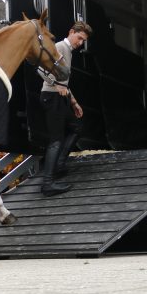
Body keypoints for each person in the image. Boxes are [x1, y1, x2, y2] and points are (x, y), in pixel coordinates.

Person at [39, 21, 92, 196]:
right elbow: (40, 68)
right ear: (71, 32)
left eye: (83, 40)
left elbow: (64, 83)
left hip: (60, 97)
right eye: (79, 38)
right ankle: (47, 184)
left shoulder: (68, 51)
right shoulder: (60, 47)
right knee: (56, 140)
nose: (80, 43)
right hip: (51, 97)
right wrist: (55, 84)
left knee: (77, 126)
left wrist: (74, 102)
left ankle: (59, 166)